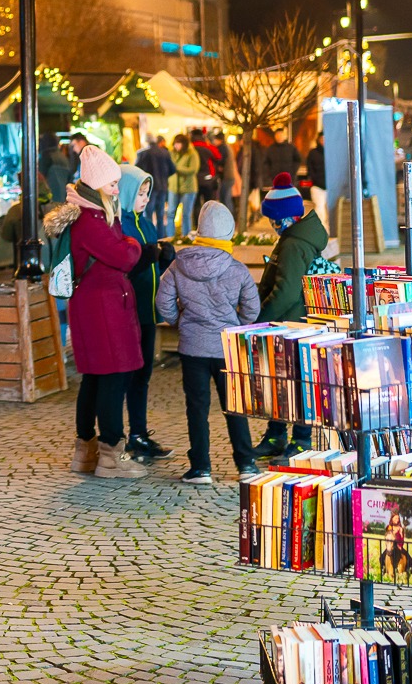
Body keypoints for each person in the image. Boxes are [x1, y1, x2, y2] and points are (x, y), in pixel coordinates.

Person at [46, 146, 150, 480]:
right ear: (96, 187)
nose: (117, 190)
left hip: (95, 308)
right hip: (102, 312)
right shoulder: (90, 221)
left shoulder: (93, 216)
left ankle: (85, 452)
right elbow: (124, 255)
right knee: (112, 378)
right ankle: (109, 456)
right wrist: (134, 245)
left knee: (94, 378)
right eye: (112, 185)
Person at [156, 199, 260, 484]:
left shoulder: (179, 265)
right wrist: (236, 326)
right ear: (228, 234)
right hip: (227, 347)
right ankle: (246, 464)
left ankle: (201, 467)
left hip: (192, 349)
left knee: (197, 408)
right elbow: (252, 307)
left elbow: (162, 302)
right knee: (234, 407)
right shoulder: (236, 269)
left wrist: (181, 322)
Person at [251, 173, 328, 459]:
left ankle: (300, 440)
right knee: (281, 381)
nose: (272, 225)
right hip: (293, 322)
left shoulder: (294, 244)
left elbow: (286, 291)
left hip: (293, 323)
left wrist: (260, 317)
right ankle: (276, 435)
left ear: (284, 217)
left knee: (295, 382)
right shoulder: (294, 237)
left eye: (273, 218)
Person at [115, 164, 172, 463]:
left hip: (149, 312)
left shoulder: (145, 223)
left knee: (144, 375)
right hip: (128, 313)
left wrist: (164, 260)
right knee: (127, 376)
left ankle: (138, 434)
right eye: (140, 192)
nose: (146, 198)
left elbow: (152, 265)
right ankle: (117, 439)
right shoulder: (119, 224)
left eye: (148, 192)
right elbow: (120, 267)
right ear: (125, 192)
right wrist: (144, 261)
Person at [137, 135, 176, 238]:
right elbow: (172, 169)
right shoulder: (165, 152)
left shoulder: (143, 153)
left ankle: (149, 236)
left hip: (149, 188)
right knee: (160, 213)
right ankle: (161, 237)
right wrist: (164, 177)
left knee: (148, 214)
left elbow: (136, 171)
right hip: (162, 186)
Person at [170, 133, 201, 236]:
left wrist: (177, 168)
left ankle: (186, 236)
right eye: (175, 143)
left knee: (186, 214)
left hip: (189, 188)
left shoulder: (192, 154)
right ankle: (170, 236)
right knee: (170, 212)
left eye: (179, 144)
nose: (176, 146)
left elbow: (193, 170)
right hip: (173, 187)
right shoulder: (172, 153)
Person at [304, 133, 328, 223]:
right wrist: (313, 178)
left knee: (330, 210)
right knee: (319, 208)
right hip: (317, 185)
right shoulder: (313, 153)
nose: (323, 141)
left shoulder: (332, 152)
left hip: (330, 186)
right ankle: (321, 229)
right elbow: (309, 168)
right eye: (322, 139)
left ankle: (330, 231)